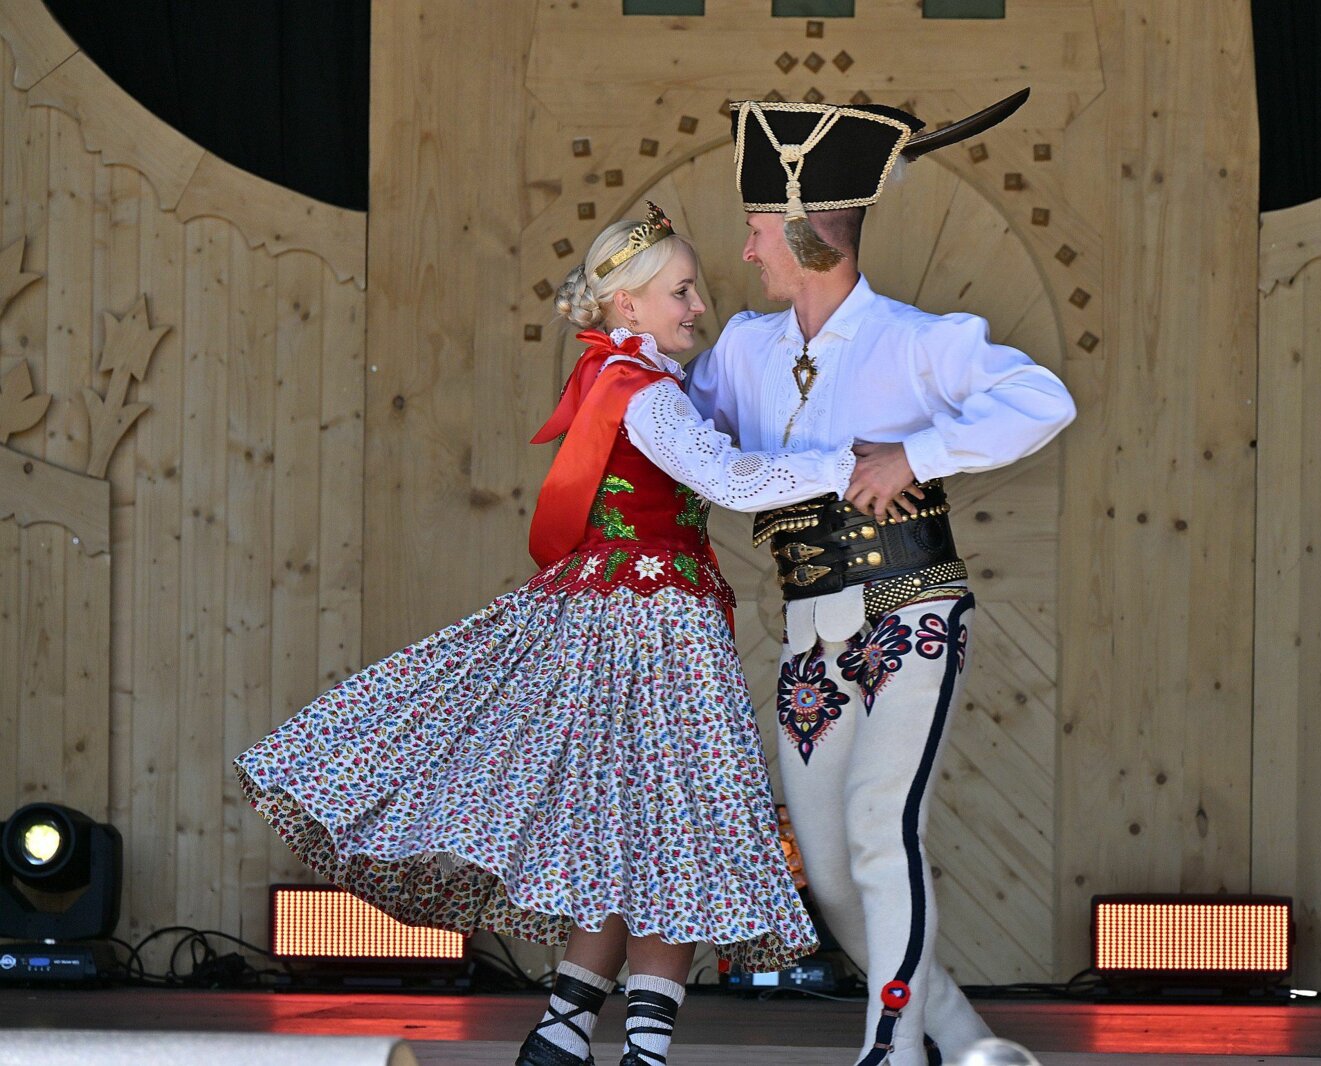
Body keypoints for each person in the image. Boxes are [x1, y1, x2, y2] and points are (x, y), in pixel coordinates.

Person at [236, 204, 864, 1066]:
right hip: (657, 628)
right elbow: (728, 478)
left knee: (622, 834)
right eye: (682, 292)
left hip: (614, 617)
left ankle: (561, 1036)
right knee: (671, 834)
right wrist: (846, 465)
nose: (698, 306)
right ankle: (638, 1050)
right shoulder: (647, 395)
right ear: (628, 305)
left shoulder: (625, 380)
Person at [686, 96, 1075, 1066]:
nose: (747, 251)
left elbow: (1043, 399)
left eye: (757, 230)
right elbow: (679, 432)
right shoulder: (744, 349)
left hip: (910, 608)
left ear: (806, 234)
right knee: (829, 876)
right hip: (807, 629)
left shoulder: (917, 340)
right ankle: (970, 1045)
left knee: (877, 826)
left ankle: (891, 1050)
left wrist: (916, 454)